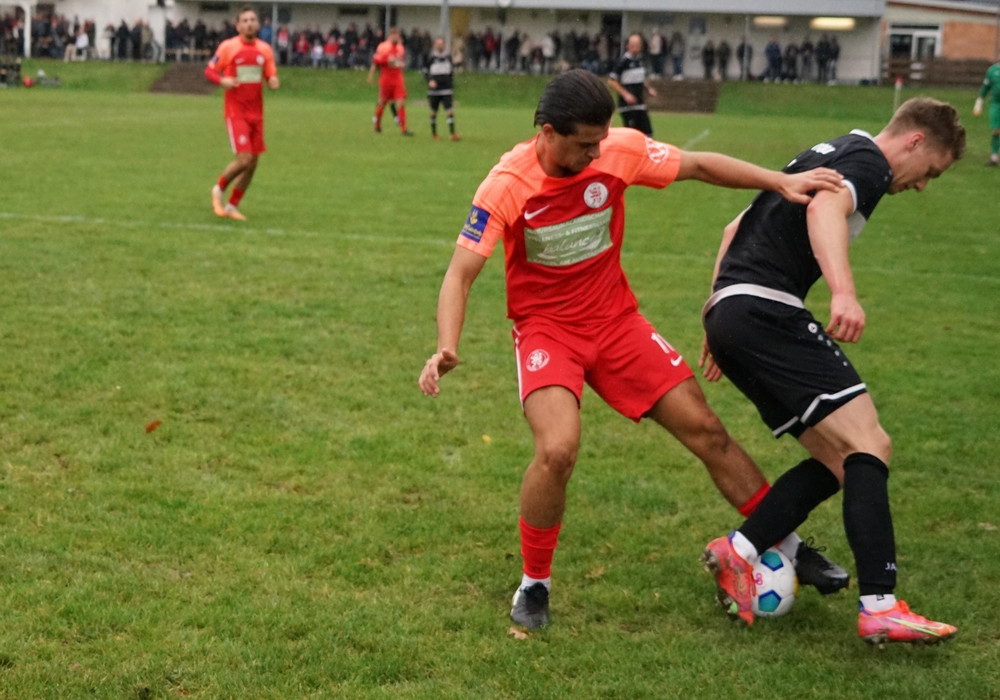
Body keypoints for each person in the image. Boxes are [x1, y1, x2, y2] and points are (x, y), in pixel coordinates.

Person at [418, 69, 848, 632]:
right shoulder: (506, 184)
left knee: (706, 429)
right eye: (584, 144)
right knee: (557, 450)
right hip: (547, 331)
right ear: (547, 133)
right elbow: (459, 274)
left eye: (601, 140)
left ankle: (786, 544)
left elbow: (698, 165)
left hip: (617, 323)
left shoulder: (617, 150)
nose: (597, 153)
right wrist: (446, 346)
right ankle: (534, 582)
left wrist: (778, 181)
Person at [700, 97, 966, 646]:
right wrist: (843, 292)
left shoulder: (831, 150)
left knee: (842, 459)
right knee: (871, 443)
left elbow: (733, 227)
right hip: (768, 310)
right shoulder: (870, 163)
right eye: (931, 172)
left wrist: (716, 311)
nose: (922, 185)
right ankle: (880, 606)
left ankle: (739, 552)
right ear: (915, 141)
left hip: (735, 310)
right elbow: (823, 210)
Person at [204, 5, 279, 221]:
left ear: (258, 24)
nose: (249, 24)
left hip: (257, 113)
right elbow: (209, 71)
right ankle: (218, 189)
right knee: (244, 159)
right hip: (236, 112)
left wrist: (273, 81)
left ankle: (232, 206)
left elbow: (270, 75)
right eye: (244, 20)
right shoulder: (229, 47)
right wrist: (222, 81)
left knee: (253, 163)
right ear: (238, 26)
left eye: (252, 20)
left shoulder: (265, 49)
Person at [607, 33, 657, 136]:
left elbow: (639, 79)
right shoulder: (623, 61)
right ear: (628, 46)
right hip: (627, 106)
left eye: (637, 44)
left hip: (640, 102)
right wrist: (626, 94)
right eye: (633, 44)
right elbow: (611, 81)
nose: (635, 47)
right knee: (631, 134)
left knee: (647, 133)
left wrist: (648, 89)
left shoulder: (640, 60)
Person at [368, 27, 412, 136]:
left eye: (398, 36)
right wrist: (372, 75)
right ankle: (377, 125)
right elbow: (376, 60)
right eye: (394, 36)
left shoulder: (400, 48)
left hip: (398, 79)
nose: (396, 38)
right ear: (390, 36)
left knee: (401, 102)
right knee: (382, 103)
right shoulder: (383, 47)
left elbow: (400, 61)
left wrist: (400, 63)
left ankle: (404, 129)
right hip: (386, 79)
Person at [423, 36, 459, 141]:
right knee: (433, 111)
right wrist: (430, 81)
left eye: (441, 43)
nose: (440, 45)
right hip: (434, 90)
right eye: (438, 43)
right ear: (435, 45)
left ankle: (452, 133)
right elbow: (425, 71)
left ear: (444, 45)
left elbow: (451, 71)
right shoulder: (431, 57)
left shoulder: (448, 57)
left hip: (446, 89)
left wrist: (450, 82)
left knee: (449, 111)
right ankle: (434, 134)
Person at [972, 60, 999, 166]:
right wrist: (979, 102)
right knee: (996, 130)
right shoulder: (992, 71)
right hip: (996, 104)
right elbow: (985, 87)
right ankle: (994, 157)